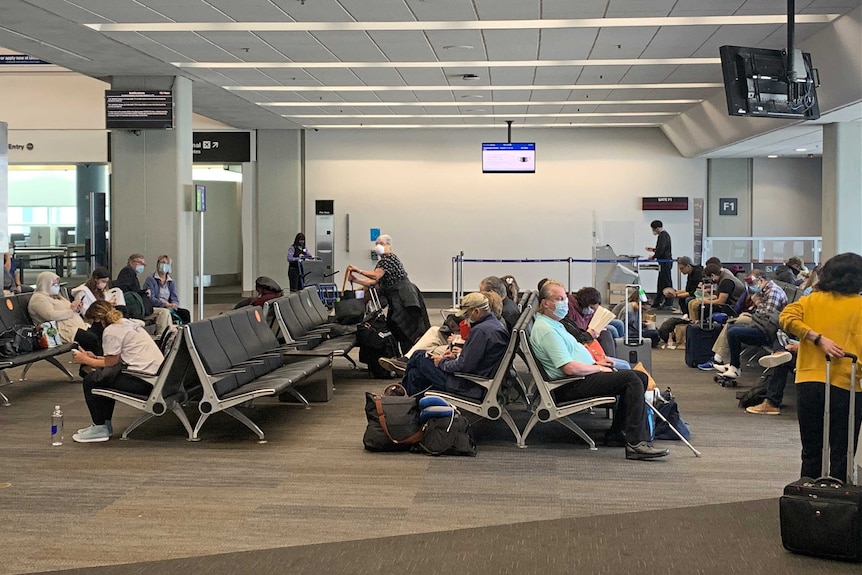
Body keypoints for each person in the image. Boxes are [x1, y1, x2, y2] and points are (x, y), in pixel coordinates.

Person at [529, 280, 668, 460]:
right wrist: (598, 368)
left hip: (580, 376)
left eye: (564, 298)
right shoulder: (546, 330)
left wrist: (597, 363)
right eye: (559, 299)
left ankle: (618, 433)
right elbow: (569, 368)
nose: (564, 303)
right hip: (569, 384)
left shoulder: (553, 322)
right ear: (545, 303)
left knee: (639, 377)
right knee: (632, 379)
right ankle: (636, 443)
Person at [779, 252, 862, 480]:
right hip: (848, 383)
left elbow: (786, 318)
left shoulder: (810, 300)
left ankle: (807, 501)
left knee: (811, 451)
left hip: (809, 381)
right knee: (843, 453)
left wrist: (816, 338)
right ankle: (838, 504)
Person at [71, 301, 165, 443]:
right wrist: (95, 357)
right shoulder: (126, 323)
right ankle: (104, 425)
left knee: (91, 381)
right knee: (105, 378)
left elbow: (111, 363)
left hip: (144, 381)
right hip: (155, 377)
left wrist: (85, 360)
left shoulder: (111, 331)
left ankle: (99, 427)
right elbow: (117, 357)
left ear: (98, 319)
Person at [402, 292, 508, 400]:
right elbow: (473, 360)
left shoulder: (480, 331)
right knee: (414, 374)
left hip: (467, 385)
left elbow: (463, 366)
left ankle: (404, 393)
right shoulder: (494, 325)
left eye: (467, 314)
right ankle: (411, 399)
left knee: (418, 356)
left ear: (476, 311)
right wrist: (455, 357)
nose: (465, 318)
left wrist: (442, 362)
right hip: (477, 381)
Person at [346, 234, 430, 354]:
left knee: (408, 330)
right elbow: (374, 281)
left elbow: (376, 275)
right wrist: (356, 280)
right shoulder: (383, 262)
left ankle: (410, 358)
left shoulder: (389, 259)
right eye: (376, 244)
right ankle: (402, 357)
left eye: (381, 243)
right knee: (394, 326)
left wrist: (358, 270)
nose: (378, 246)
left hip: (405, 298)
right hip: (397, 299)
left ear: (389, 245)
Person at [699, 269, 787, 371]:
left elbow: (768, 316)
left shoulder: (773, 292)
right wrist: (751, 313)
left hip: (769, 327)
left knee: (733, 323)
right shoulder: (764, 290)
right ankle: (719, 358)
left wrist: (757, 302)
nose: (751, 286)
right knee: (732, 323)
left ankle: (719, 358)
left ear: (761, 280)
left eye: (753, 283)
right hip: (760, 321)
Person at [28, 271, 101, 354]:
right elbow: (51, 315)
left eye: (57, 284)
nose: (57, 286)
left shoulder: (56, 296)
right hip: (62, 331)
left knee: (99, 333)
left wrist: (76, 307)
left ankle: (95, 363)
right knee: (92, 339)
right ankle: (93, 363)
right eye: (54, 284)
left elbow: (68, 308)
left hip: (75, 326)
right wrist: (71, 310)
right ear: (46, 284)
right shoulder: (39, 299)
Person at [114, 253, 172, 335]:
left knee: (168, 312)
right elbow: (126, 290)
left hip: (138, 306)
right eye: (140, 263)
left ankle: (166, 335)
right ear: (131, 262)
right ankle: (161, 336)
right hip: (134, 308)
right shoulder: (127, 271)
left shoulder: (132, 274)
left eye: (143, 264)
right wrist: (143, 292)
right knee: (163, 312)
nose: (142, 266)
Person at [144, 255, 191, 324]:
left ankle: (184, 333)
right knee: (166, 312)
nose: (164, 265)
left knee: (185, 313)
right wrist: (165, 305)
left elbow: (174, 297)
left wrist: (174, 304)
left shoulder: (171, 282)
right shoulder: (151, 279)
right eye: (162, 262)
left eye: (167, 263)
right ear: (158, 264)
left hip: (169, 306)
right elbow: (151, 298)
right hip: (157, 306)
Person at [646, 220, 673, 309]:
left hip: (665, 262)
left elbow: (661, 249)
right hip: (664, 262)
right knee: (661, 282)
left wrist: (653, 256)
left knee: (666, 282)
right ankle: (658, 301)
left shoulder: (663, 235)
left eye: (653, 229)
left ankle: (668, 302)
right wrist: (654, 250)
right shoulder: (664, 235)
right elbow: (662, 248)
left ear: (657, 228)